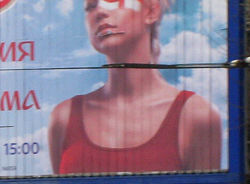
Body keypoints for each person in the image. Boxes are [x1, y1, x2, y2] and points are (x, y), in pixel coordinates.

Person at [48, 0, 221, 175]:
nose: (100, 11)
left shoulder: (195, 115)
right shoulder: (64, 117)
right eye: (91, 6)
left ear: (151, 12)